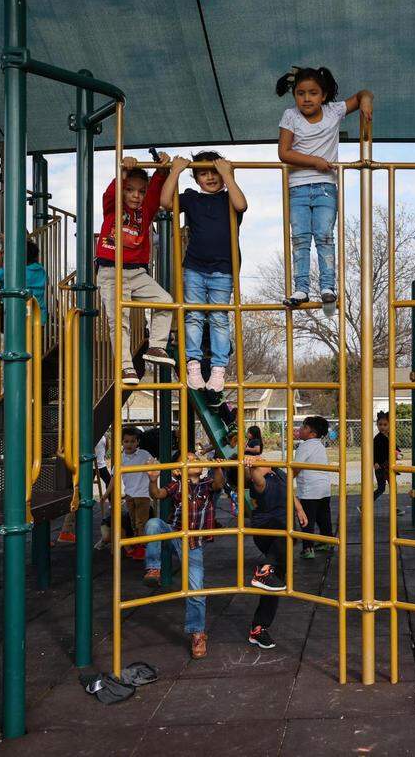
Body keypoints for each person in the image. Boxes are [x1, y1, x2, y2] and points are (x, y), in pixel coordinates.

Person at [276, 66, 373, 307]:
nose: (307, 98)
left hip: (326, 187)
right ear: (294, 95)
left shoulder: (333, 111)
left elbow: (364, 93)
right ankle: (301, 288)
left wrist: (366, 102)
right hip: (297, 186)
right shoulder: (291, 116)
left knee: (324, 235)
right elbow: (284, 152)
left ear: (324, 95)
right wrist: (315, 161)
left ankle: (327, 286)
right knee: (299, 237)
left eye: (313, 93)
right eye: (300, 93)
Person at [159, 152, 248, 394]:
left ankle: (219, 368)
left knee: (219, 318)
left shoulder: (230, 199)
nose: (210, 177)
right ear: (196, 178)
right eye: (203, 173)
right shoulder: (192, 199)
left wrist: (228, 175)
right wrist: (175, 170)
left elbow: (242, 205)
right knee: (194, 316)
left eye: (214, 172)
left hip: (223, 268)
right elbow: (166, 203)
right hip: (195, 267)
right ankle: (194, 365)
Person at [96, 154, 176, 385]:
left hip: (137, 272)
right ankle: (126, 367)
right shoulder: (112, 207)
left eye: (141, 192)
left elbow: (157, 187)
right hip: (111, 271)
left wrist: (162, 168)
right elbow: (111, 192)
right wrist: (123, 171)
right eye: (130, 190)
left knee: (165, 300)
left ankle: (157, 347)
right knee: (119, 320)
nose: (136, 196)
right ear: (122, 190)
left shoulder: (147, 208)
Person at [142, 454, 223, 659]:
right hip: (175, 532)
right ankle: (154, 568)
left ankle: (197, 634)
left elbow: (218, 484)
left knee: (196, 589)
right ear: (178, 470)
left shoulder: (206, 484)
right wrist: (152, 480)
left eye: (195, 458)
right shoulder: (177, 485)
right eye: (187, 459)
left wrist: (219, 469)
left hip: (192, 543)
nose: (193, 460)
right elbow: (158, 494)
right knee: (153, 524)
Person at [243, 455, 309, 649]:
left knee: (275, 582)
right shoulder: (261, 485)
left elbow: (290, 488)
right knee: (287, 535)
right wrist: (252, 466)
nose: (261, 458)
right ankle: (264, 570)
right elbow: (257, 478)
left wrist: (299, 509)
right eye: (257, 460)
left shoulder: (278, 472)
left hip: (283, 532)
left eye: (261, 457)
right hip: (267, 530)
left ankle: (258, 628)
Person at [100, 426, 156, 560]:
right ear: (122, 442)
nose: (129, 444)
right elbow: (114, 479)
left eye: (132, 441)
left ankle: (142, 547)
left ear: (137, 442)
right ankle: (138, 545)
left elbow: (154, 466)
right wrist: (106, 494)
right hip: (130, 495)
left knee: (141, 522)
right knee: (133, 521)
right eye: (126, 441)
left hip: (143, 495)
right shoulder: (120, 459)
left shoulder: (144, 454)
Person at [294, 416, 332, 558]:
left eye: (304, 427)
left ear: (312, 434)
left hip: (309, 491)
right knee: (324, 517)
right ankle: (327, 540)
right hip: (324, 489)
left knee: (306, 519)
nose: (300, 429)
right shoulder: (320, 445)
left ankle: (308, 548)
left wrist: (287, 478)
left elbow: (297, 467)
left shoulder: (304, 446)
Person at [0, 234, 48, 323]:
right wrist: (9, 240)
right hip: (39, 316)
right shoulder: (40, 269)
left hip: (19, 316)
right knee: (35, 336)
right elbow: (28, 248)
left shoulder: (17, 272)